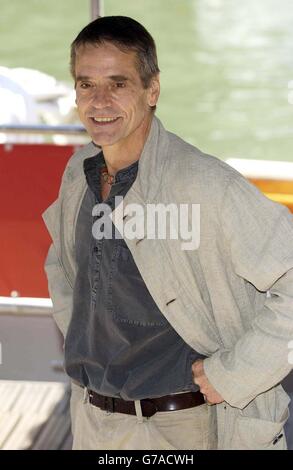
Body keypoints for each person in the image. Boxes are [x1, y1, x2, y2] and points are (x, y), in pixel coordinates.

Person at [43, 16, 293, 450]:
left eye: (118, 84)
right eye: (86, 85)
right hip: (93, 421)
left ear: (152, 89)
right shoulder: (77, 171)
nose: (99, 101)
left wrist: (234, 374)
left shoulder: (205, 184)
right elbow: (66, 270)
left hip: (184, 427)